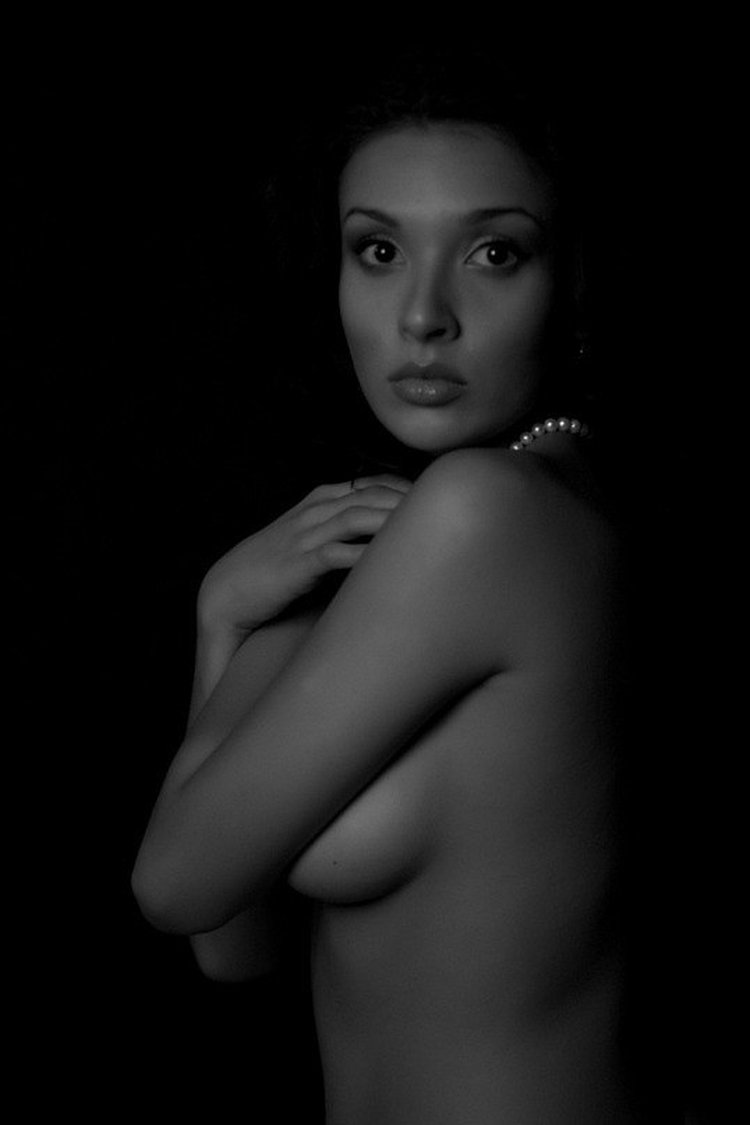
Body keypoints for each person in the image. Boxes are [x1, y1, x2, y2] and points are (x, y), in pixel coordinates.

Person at [132, 46, 671, 1123]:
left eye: (494, 253)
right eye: (378, 250)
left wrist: (226, 607)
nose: (424, 315)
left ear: (572, 281)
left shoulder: (488, 513)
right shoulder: (446, 527)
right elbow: (232, 949)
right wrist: (222, 620)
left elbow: (176, 882)